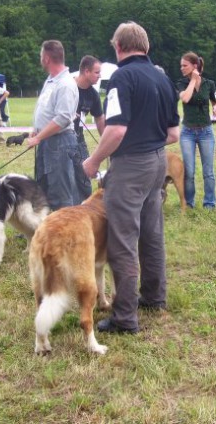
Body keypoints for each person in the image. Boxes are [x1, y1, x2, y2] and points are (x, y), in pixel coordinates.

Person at [83, 21, 180, 334]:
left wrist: (94, 160)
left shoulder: (121, 78)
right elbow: (173, 134)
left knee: (122, 241)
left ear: (118, 47)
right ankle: (153, 297)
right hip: (157, 163)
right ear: (146, 47)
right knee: (151, 234)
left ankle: (125, 317)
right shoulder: (163, 79)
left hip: (130, 166)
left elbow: (117, 129)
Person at [27, 40, 79, 210]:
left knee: (60, 192)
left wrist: (39, 137)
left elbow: (63, 118)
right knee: (43, 188)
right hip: (46, 141)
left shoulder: (66, 84)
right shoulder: (51, 81)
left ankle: (64, 233)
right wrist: (36, 131)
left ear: (47, 58)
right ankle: (41, 229)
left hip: (60, 143)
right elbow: (46, 111)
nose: (40, 59)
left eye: (41, 56)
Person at [176, 52, 216, 210]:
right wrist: (193, 80)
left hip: (206, 132)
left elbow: (215, 101)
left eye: (184, 65)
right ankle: (189, 203)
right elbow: (185, 98)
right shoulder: (181, 83)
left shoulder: (209, 84)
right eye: (181, 65)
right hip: (187, 133)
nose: (181, 68)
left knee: (208, 171)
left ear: (195, 66)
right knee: (189, 172)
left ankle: (210, 203)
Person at [73, 55, 105, 203]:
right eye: (97, 72)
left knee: (85, 177)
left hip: (79, 139)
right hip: (60, 140)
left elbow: (99, 118)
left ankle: (83, 211)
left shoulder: (93, 95)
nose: (100, 76)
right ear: (86, 71)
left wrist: (106, 141)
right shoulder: (68, 87)